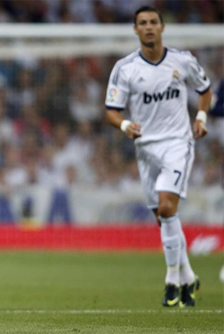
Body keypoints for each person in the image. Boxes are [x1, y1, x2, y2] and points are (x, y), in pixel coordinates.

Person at [105, 6, 212, 307]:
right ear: (135, 30)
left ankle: (171, 280)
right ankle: (189, 275)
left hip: (178, 143)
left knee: (167, 208)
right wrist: (125, 124)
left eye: (153, 22)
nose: (149, 27)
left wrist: (201, 116)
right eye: (143, 23)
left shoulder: (183, 61)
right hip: (145, 148)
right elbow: (112, 110)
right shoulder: (125, 68)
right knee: (162, 216)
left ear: (162, 27)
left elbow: (205, 90)